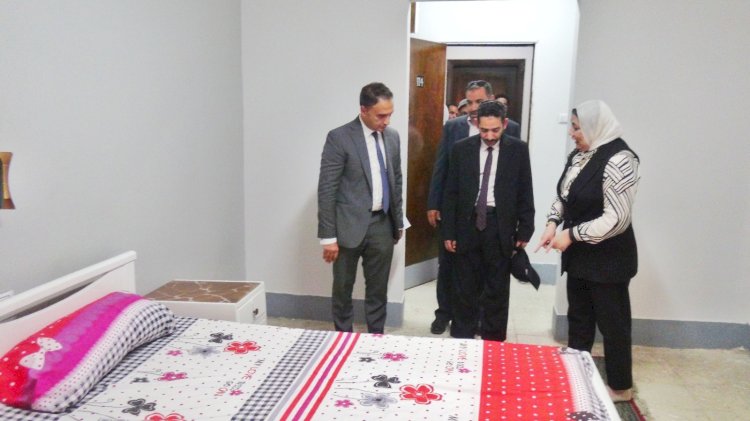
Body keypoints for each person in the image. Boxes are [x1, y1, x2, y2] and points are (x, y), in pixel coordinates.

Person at [535, 100, 640, 402]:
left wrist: (571, 235)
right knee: (579, 318)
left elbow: (617, 219)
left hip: (609, 261)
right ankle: (576, 374)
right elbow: (564, 195)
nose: (572, 133)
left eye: (577, 128)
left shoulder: (621, 159)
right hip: (580, 257)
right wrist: (552, 223)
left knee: (613, 325)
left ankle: (620, 387)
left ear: (596, 127)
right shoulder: (580, 154)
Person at [442, 100, 535, 341]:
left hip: (499, 225)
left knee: (497, 287)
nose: (490, 136)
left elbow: (525, 190)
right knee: (464, 287)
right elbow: (451, 193)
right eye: (484, 130)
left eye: (495, 130)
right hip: (467, 224)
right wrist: (448, 231)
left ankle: (493, 342)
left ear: (505, 124)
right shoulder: (461, 149)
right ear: (476, 123)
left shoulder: (518, 150)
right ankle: (462, 339)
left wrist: (525, 228)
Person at [317, 82, 404, 334]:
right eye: (381, 115)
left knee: (378, 289)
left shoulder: (392, 137)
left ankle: (376, 336)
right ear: (363, 110)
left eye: (390, 114)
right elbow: (327, 189)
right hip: (347, 226)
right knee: (343, 288)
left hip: (382, 225)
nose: (386, 121)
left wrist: (398, 222)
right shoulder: (340, 138)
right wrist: (328, 237)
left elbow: (396, 181)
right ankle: (343, 337)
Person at [426, 80, 494, 335]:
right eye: (470, 102)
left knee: (481, 268)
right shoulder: (453, 127)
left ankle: (476, 317)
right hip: (454, 209)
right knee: (448, 265)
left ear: (491, 100)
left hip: (486, 211)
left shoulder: (507, 128)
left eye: (480, 101)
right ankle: (444, 313)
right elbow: (441, 166)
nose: (474, 107)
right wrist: (433, 203)